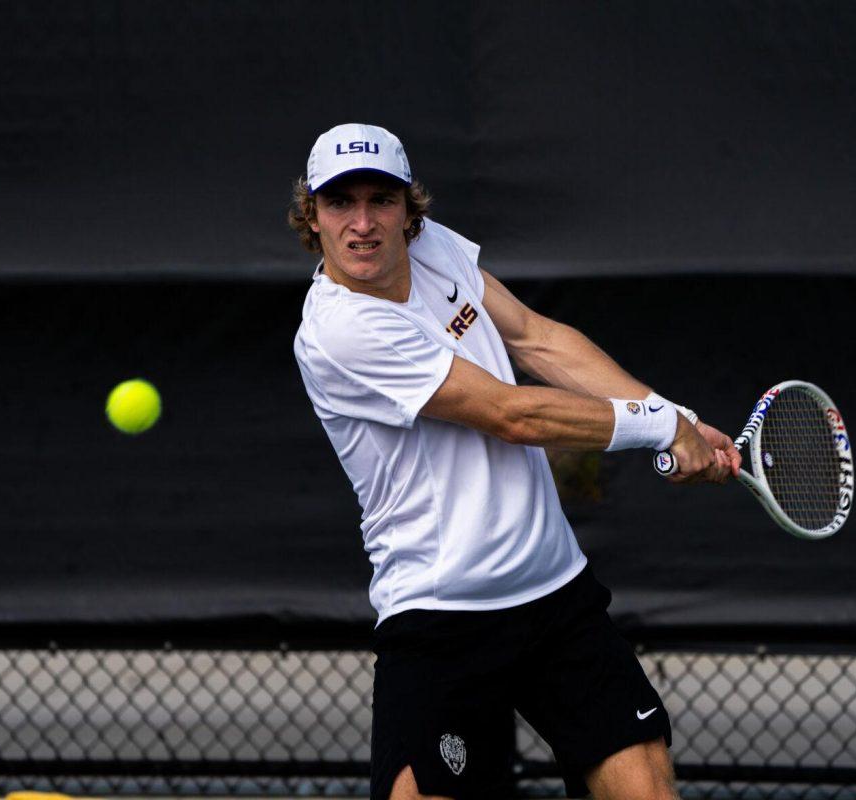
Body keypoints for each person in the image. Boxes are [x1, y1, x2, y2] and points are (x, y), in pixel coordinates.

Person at [291, 123, 741, 800]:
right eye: (339, 203)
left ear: (409, 210)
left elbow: (537, 338)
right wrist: (659, 427)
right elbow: (512, 414)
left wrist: (676, 415)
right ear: (312, 216)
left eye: (381, 201)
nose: (362, 223)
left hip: (553, 589)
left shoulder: (431, 246)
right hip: (442, 609)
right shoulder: (339, 330)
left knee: (646, 783)